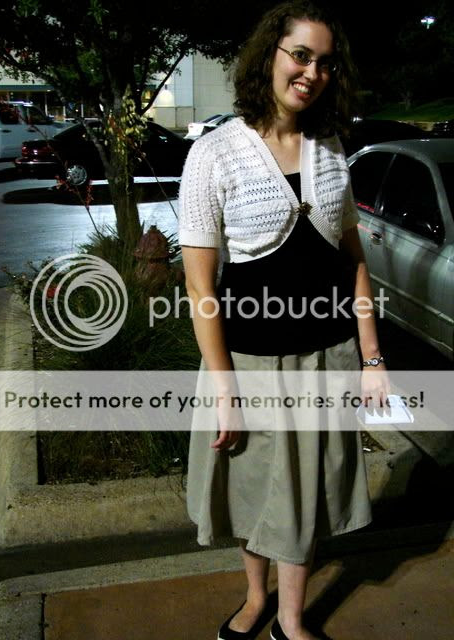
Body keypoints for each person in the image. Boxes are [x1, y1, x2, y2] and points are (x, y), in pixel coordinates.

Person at [178, 2, 390, 639]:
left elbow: (352, 260)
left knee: (309, 494)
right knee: (252, 492)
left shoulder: (330, 149)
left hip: (326, 356)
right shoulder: (215, 153)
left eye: (324, 62)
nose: (312, 72)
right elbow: (199, 285)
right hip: (249, 361)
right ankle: (255, 598)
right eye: (300, 55)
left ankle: (290, 622)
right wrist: (223, 386)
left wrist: (372, 357)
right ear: (269, 54)